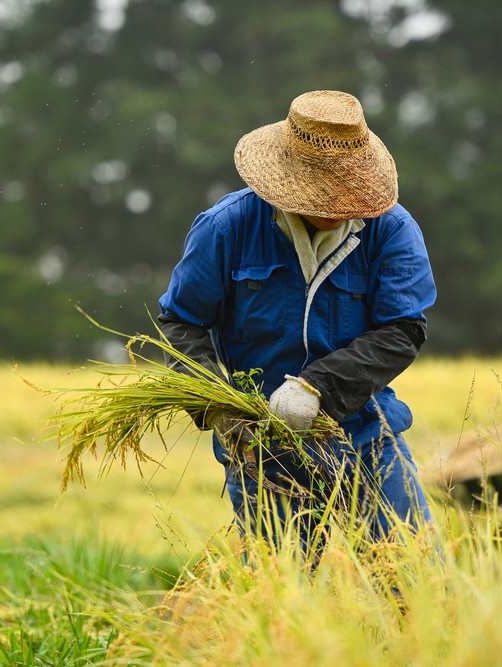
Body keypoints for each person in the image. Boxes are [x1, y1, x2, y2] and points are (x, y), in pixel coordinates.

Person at [158, 90, 437, 551]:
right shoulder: (227, 227)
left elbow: (402, 331)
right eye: (321, 194)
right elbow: (180, 323)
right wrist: (220, 406)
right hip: (261, 446)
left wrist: (316, 389)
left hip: (367, 437)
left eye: (345, 193)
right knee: (280, 597)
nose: (334, 206)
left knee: (416, 583)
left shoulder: (390, 229)